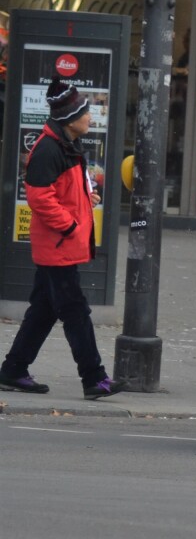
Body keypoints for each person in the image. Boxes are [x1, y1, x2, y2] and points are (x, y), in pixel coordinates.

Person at [0, 81, 120, 400]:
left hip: (61, 245)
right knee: (75, 311)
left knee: (44, 309)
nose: (90, 116)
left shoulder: (65, 144)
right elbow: (39, 198)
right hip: (58, 246)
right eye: (85, 112)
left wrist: (86, 197)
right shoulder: (49, 148)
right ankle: (94, 378)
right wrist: (69, 226)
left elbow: (61, 192)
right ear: (71, 118)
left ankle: (13, 370)